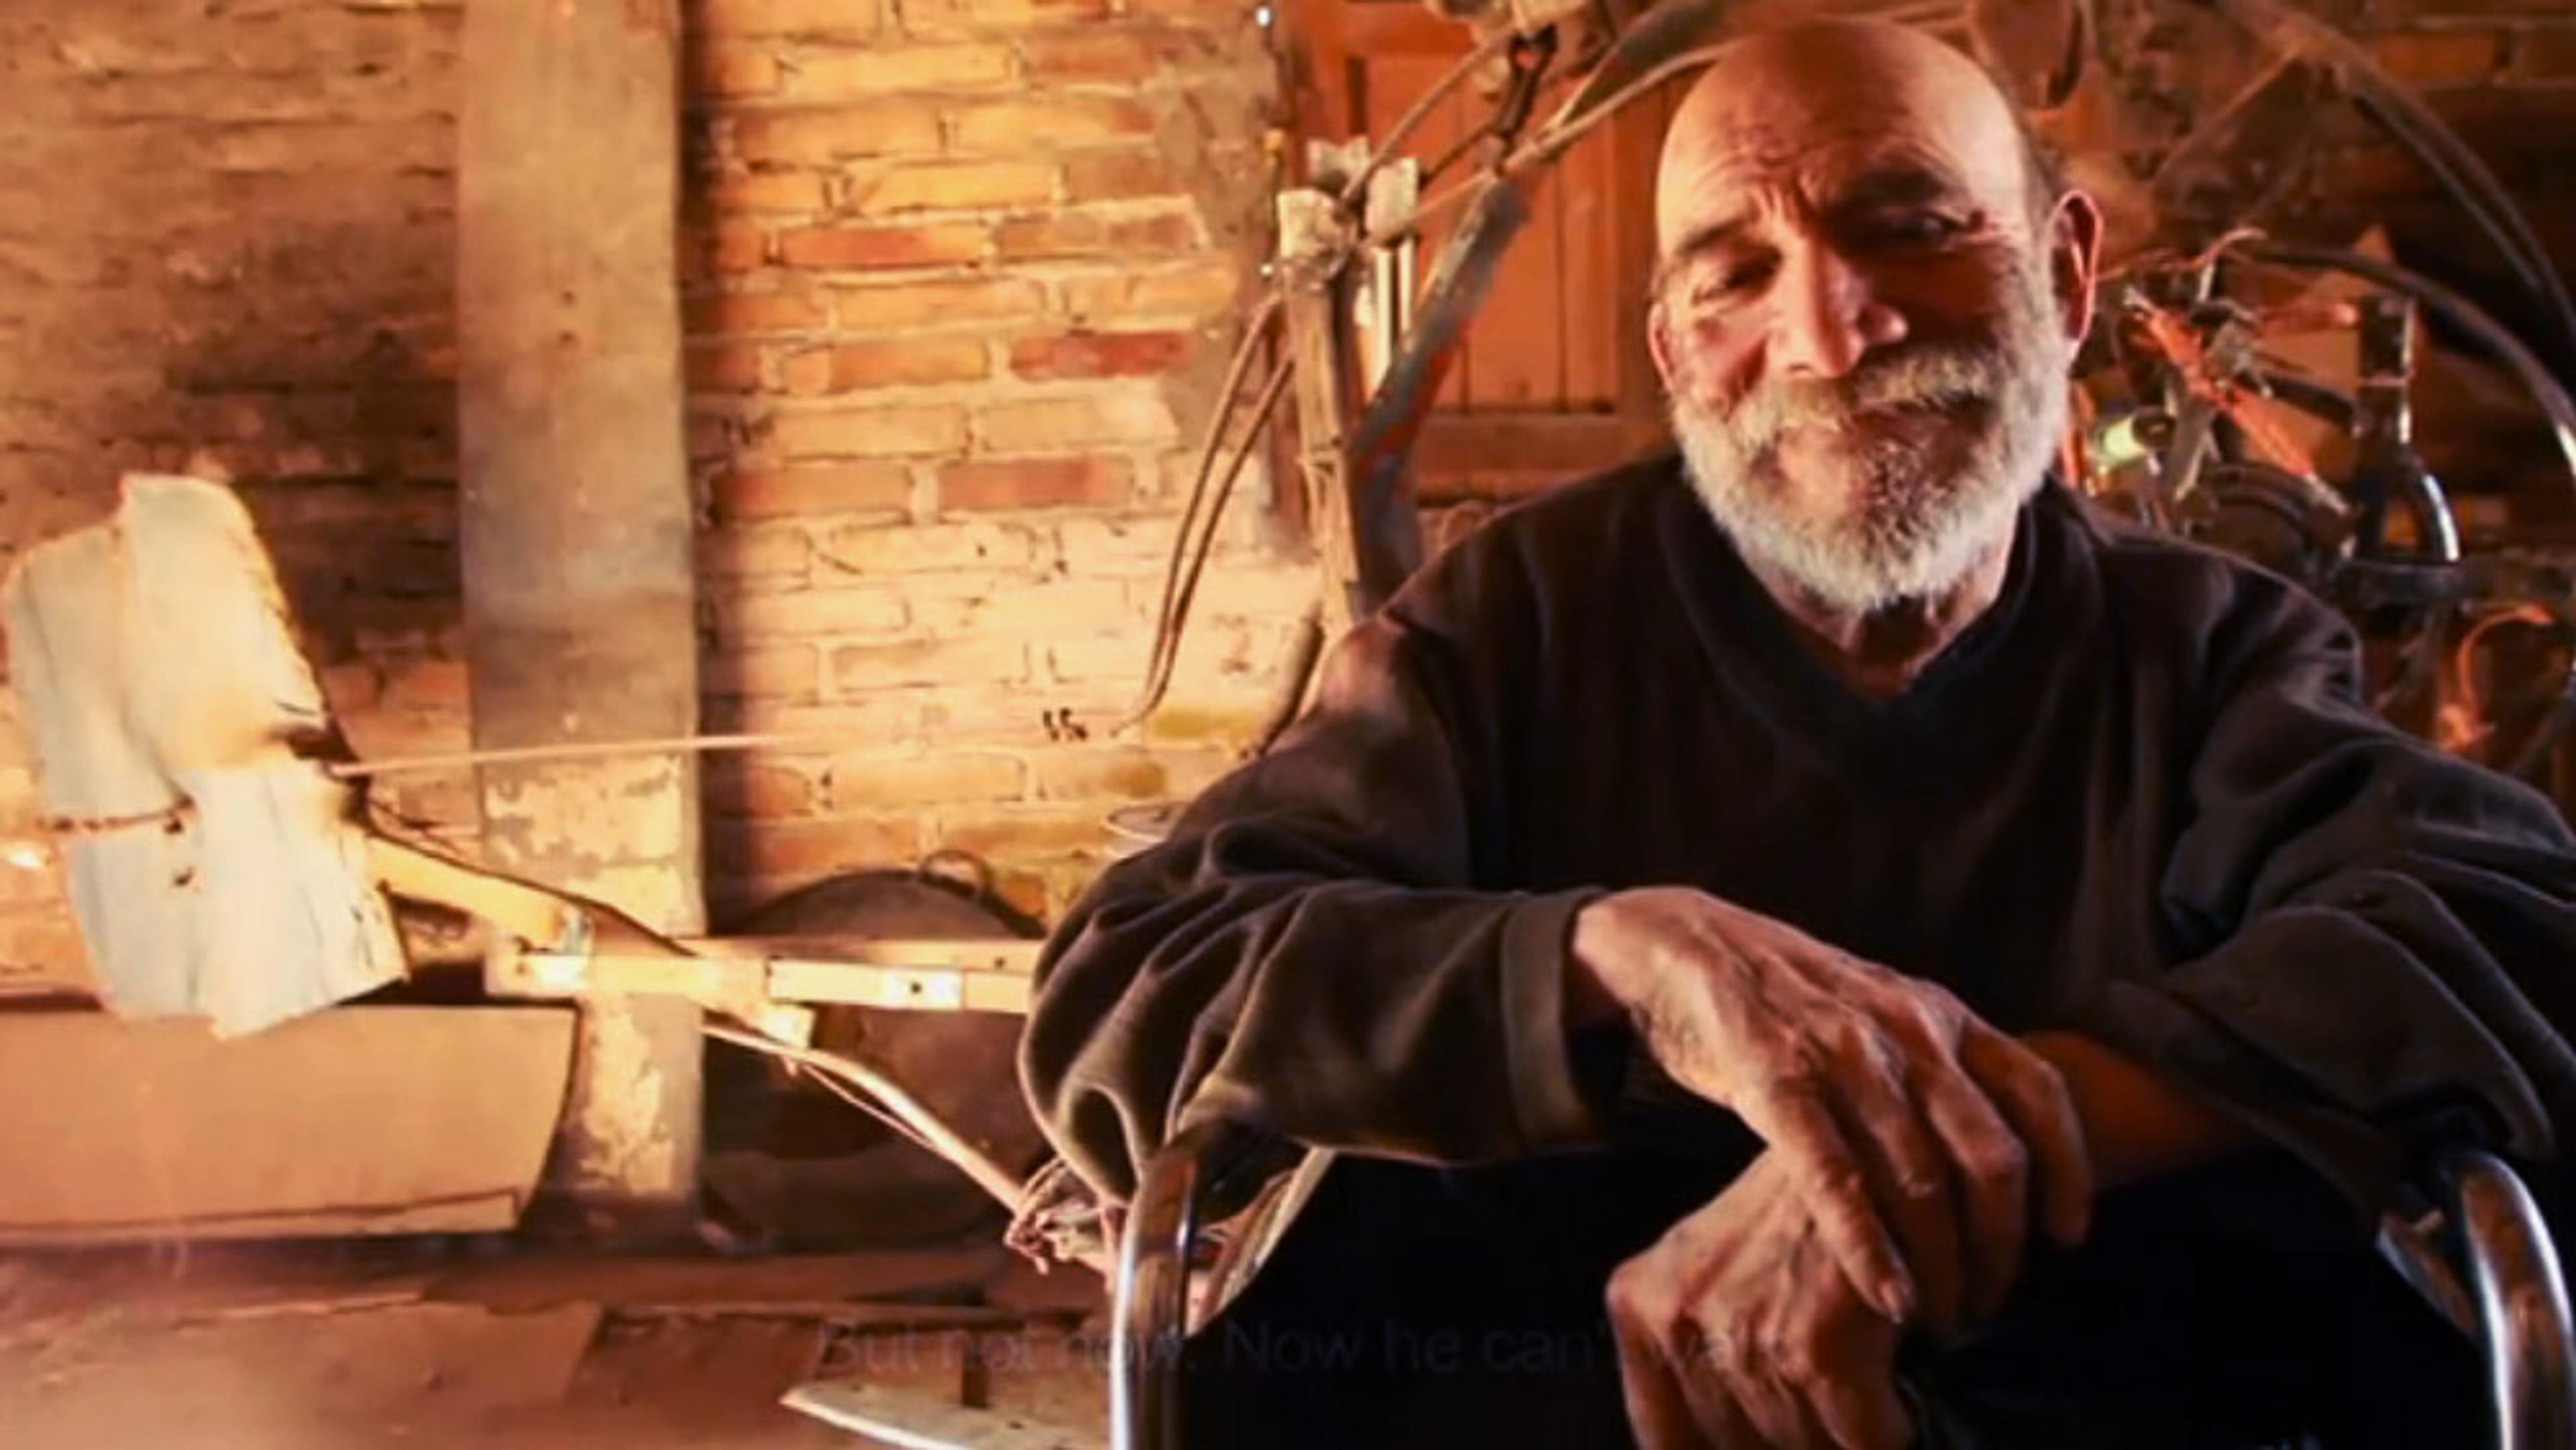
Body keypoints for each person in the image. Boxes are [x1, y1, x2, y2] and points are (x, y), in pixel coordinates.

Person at [1019, 16, 2576, 1448]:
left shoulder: (2211, 645)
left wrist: (1937, 1160)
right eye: (1733, 276)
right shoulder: (1507, 626)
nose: (1834, 335)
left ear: (2069, 269)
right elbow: (1137, 983)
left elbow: (2503, 920)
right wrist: (1607, 959)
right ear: (1675, 350)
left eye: (1909, 229)